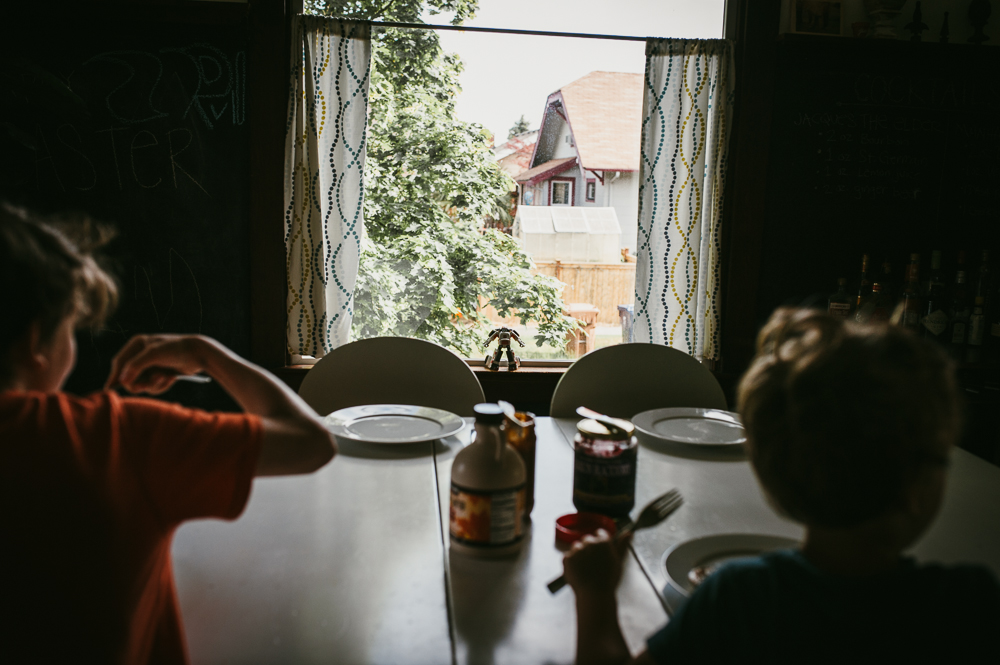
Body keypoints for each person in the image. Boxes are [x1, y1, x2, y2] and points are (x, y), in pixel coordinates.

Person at [563, 307, 1000, 664]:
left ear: (772, 478)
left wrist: (595, 594)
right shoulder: (969, 607)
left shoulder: (740, 599)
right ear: (922, 487)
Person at [0, 204, 336, 664]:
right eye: (72, 328)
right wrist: (207, 353)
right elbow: (312, 442)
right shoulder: (116, 438)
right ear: (35, 342)